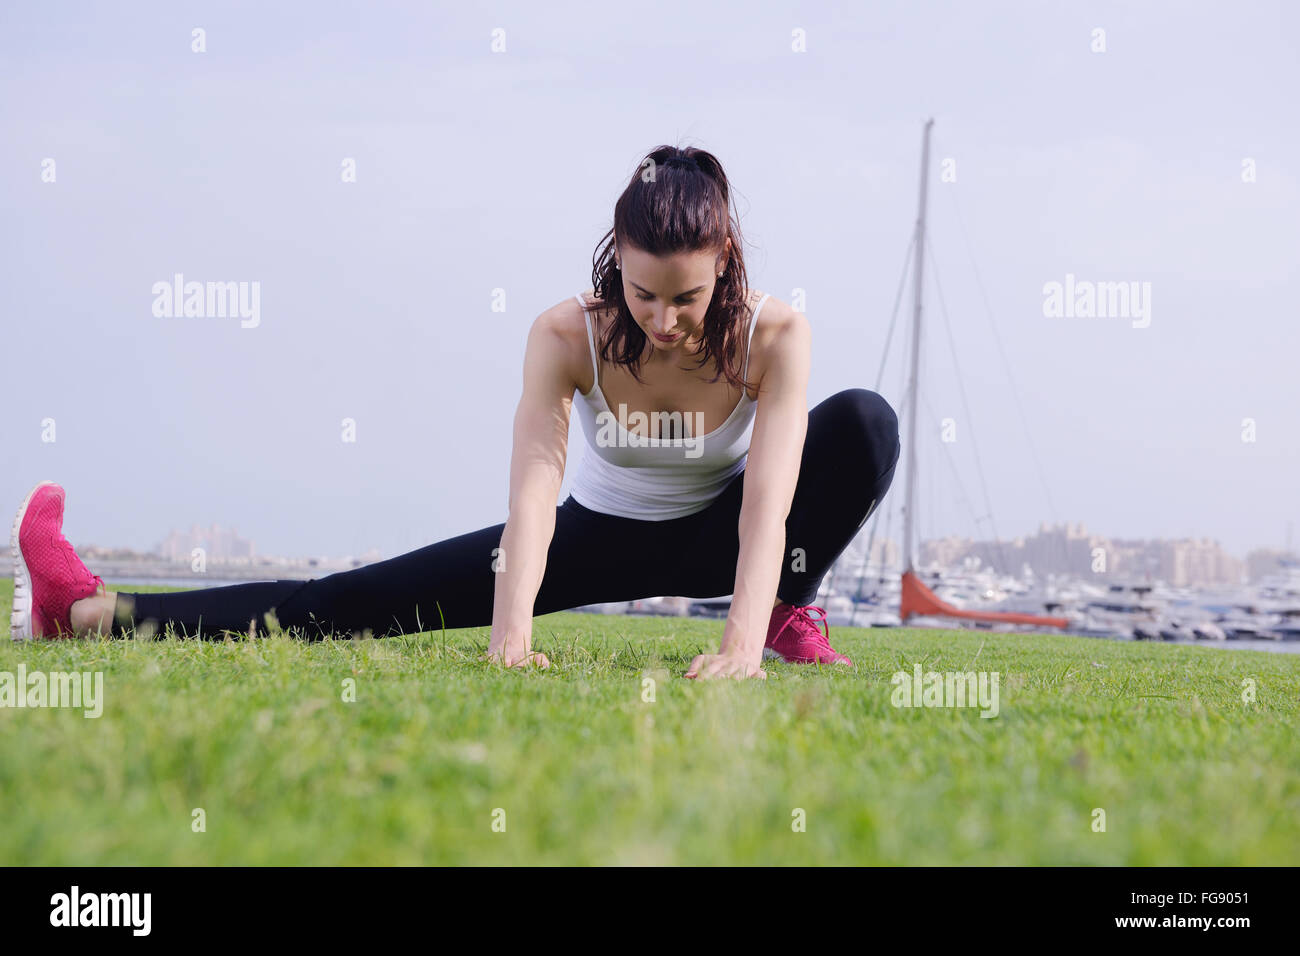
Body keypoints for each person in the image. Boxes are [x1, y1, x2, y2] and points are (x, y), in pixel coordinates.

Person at [9, 145, 900, 681]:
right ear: (613, 263)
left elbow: (768, 503)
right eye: (643, 295)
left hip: (723, 534)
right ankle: (83, 611)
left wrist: (742, 641)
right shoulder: (566, 335)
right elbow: (534, 497)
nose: (664, 323)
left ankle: (789, 611)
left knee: (865, 422)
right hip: (591, 537)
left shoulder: (773, 335)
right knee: (347, 602)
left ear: (726, 260)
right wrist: (511, 636)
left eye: (687, 298)